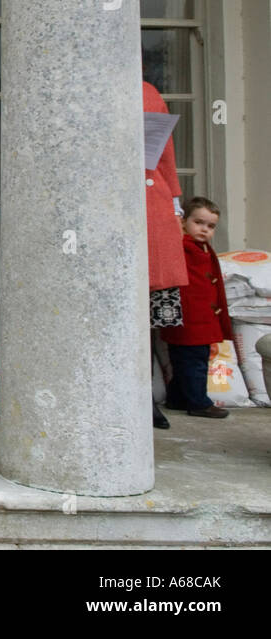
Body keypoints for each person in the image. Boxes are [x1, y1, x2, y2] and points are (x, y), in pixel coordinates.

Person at [161, 197, 232, 419]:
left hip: (199, 318)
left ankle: (177, 398)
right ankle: (199, 403)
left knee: (186, 362)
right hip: (188, 317)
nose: (204, 229)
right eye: (199, 223)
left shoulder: (201, 247)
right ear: (183, 222)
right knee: (194, 363)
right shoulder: (181, 246)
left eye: (210, 226)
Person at [143, 79, 187, 429]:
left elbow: (166, 153)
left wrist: (174, 201)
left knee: (145, 320)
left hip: (149, 202)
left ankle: (143, 397)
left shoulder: (148, 91)